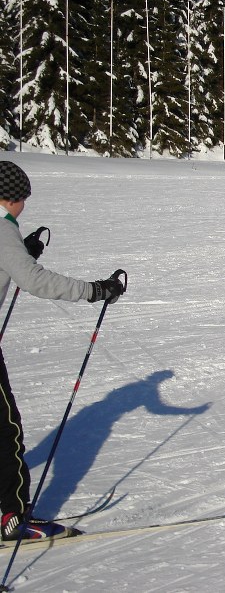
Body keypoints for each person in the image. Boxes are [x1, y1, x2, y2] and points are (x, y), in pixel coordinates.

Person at [0, 160, 125, 542]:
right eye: (23, 200)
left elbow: (14, 264)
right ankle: (13, 518)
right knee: (6, 434)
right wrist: (95, 291)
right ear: (14, 199)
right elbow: (33, 280)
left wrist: (23, 252)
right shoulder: (3, 229)